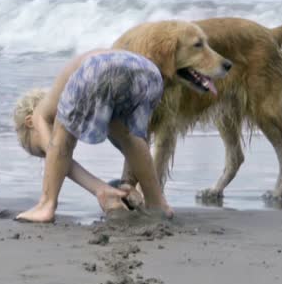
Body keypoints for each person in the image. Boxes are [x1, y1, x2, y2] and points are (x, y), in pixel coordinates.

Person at [12, 48, 169, 223]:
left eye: (40, 151)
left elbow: (58, 153)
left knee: (61, 141)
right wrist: (127, 183)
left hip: (97, 67)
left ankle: (46, 205)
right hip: (148, 71)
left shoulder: (38, 115)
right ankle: (157, 203)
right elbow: (134, 149)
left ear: (29, 122)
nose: (49, 160)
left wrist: (99, 189)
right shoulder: (86, 96)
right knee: (129, 137)